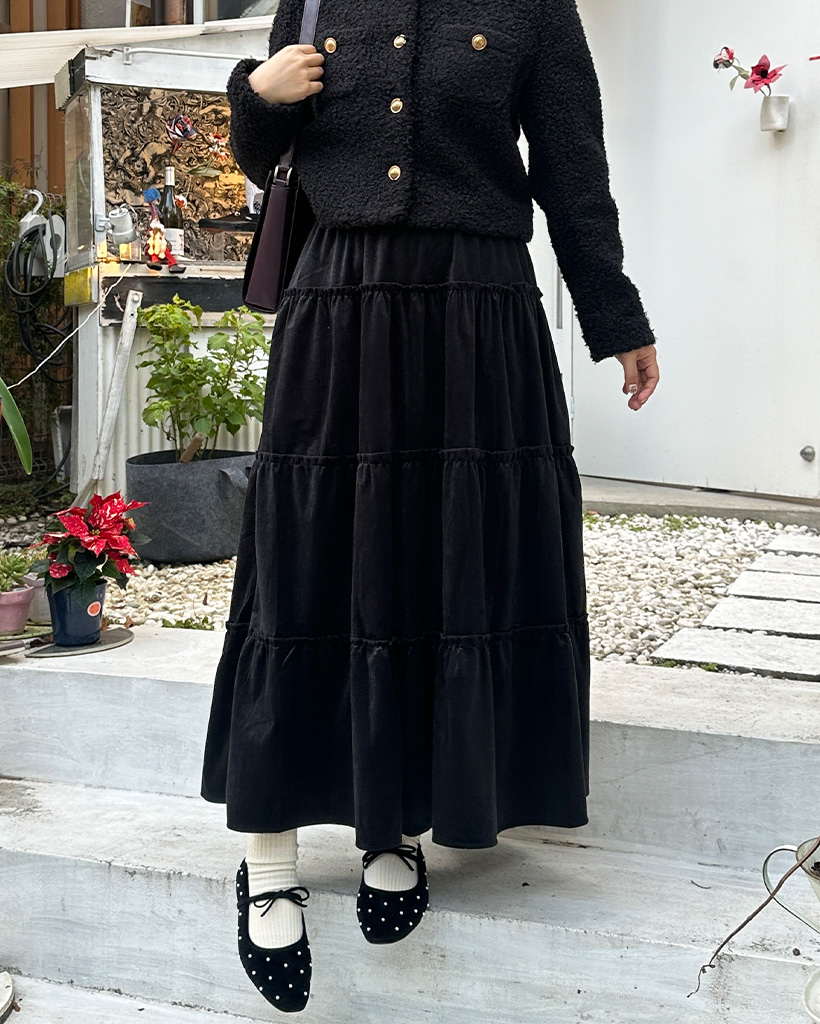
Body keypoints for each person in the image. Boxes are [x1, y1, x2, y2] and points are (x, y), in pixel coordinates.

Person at [201, 0, 660, 1012]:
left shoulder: (532, 7)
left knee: (435, 563)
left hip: (477, 311)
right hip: (339, 303)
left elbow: (573, 170)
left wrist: (614, 312)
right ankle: (267, 858)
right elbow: (264, 159)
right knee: (306, 563)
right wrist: (256, 96)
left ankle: (392, 825)